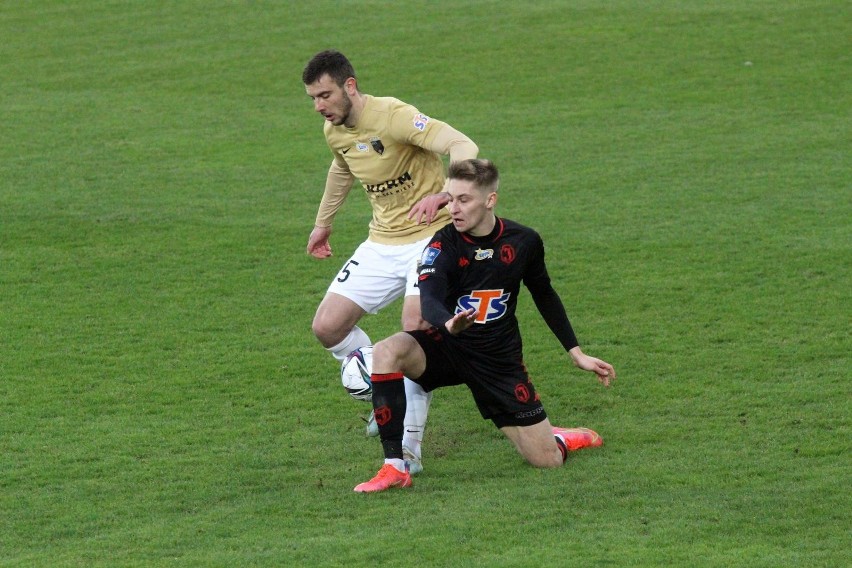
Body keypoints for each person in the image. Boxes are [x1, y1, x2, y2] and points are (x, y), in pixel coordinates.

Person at [353, 159, 616, 493]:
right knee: (388, 350)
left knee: (546, 460)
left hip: (497, 360)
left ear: (490, 200)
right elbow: (429, 298)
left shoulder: (524, 241)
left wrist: (576, 352)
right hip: (447, 345)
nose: (454, 208)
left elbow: (545, 294)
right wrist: (448, 324)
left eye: (464, 200)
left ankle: (559, 437)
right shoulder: (441, 244)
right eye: (450, 198)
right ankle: (395, 468)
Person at [302, 50, 479, 474]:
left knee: (413, 331)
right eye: (312, 98)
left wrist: (447, 194)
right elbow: (342, 169)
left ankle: (408, 452)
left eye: (324, 94)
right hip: (383, 241)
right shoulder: (334, 130)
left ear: (350, 85)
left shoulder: (394, 115)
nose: (319, 106)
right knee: (326, 326)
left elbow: (462, 144)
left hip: (432, 235)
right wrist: (322, 224)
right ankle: (385, 389)